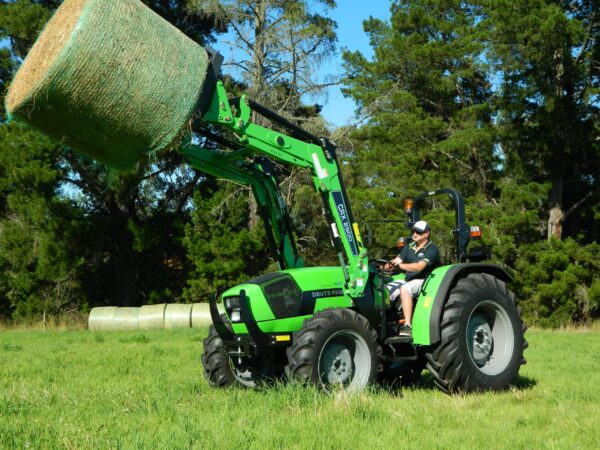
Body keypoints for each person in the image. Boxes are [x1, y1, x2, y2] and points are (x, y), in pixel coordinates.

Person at [385, 220, 440, 337]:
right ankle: (388, 321)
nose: (414, 234)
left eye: (418, 232)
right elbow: (396, 261)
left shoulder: (432, 249)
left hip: (426, 281)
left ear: (426, 234)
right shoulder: (409, 247)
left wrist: (400, 266)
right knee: (384, 289)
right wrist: (387, 266)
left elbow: (419, 267)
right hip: (409, 279)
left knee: (405, 289)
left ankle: (408, 326)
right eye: (413, 231)